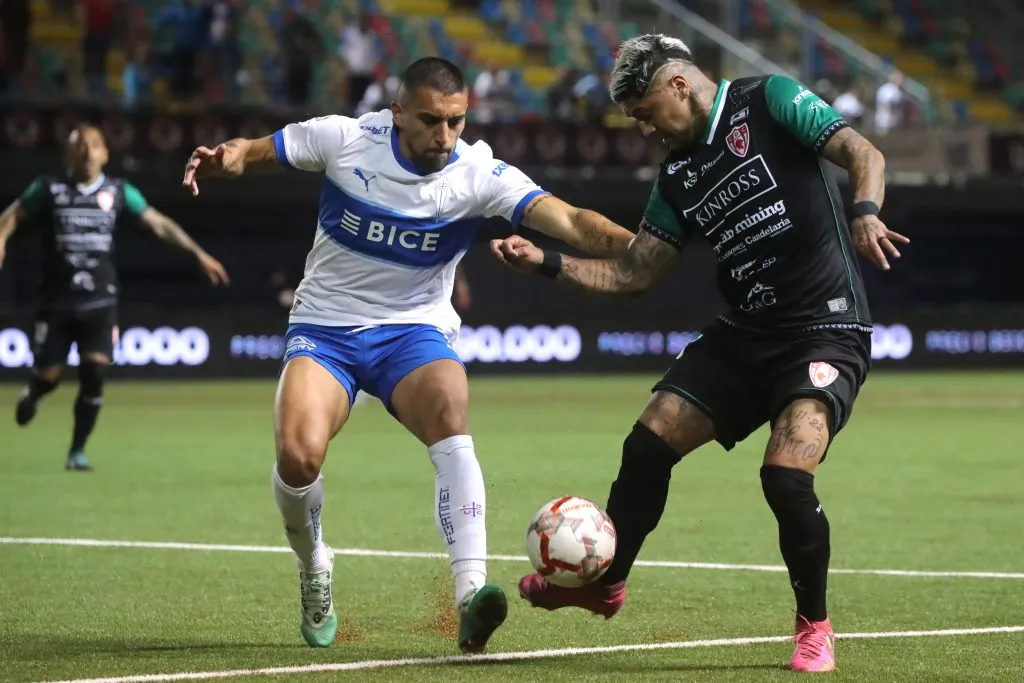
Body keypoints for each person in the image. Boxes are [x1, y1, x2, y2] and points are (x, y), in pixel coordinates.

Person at [180, 57, 634, 652]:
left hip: (413, 331)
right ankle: (315, 564)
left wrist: (645, 246)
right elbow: (259, 150)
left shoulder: (477, 171)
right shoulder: (344, 140)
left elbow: (571, 220)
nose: (445, 135)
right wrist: (228, 158)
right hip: (327, 326)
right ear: (397, 113)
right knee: (297, 457)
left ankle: (472, 594)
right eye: (430, 121)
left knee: (451, 411)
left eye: (456, 121)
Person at [495, 34, 909, 673]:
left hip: (825, 330)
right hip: (745, 334)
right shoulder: (676, 177)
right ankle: (606, 584)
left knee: (785, 475)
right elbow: (634, 273)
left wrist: (866, 211)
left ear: (678, 86)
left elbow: (862, 151)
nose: (642, 129)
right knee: (647, 444)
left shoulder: (769, 101)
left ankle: (814, 626)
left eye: (643, 113)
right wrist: (547, 262)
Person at [0, 124, 229, 471]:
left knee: (95, 374)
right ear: (69, 154)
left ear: (105, 153)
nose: (88, 153)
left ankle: (76, 452)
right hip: (55, 301)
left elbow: (159, 223)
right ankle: (35, 392)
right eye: (81, 146)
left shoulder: (118, 191)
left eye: (94, 146)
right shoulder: (48, 189)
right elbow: (13, 215)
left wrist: (198, 253)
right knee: (48, 375)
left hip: (100, 301)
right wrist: (1, 239)